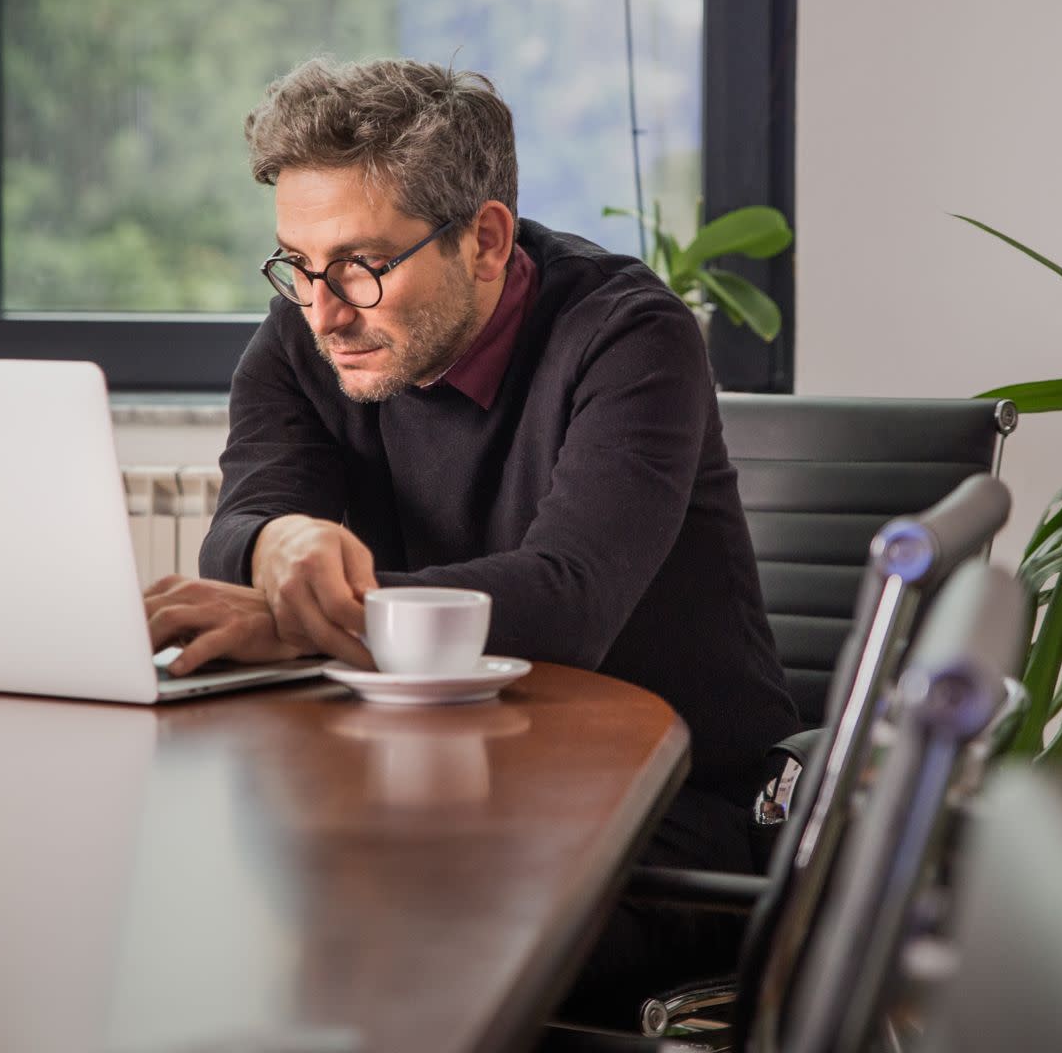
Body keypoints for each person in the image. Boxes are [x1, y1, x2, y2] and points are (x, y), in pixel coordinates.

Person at [142, 56, 800, 1015]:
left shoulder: (630, 338)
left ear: (485, 240)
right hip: (423, 796)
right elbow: (242, 524)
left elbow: (566, 602)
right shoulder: (308, 332)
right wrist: (278, 544)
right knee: (208, 919)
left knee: (383, 954)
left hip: (667, 820)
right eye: (297, 265)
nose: (324, 311)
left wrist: (316, 616)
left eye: (363, 266)